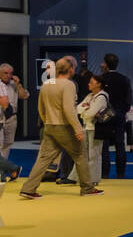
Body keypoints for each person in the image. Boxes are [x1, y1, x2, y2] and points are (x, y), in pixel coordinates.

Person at [19, 57, 103, 198]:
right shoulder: (69, 85)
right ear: (70, 69)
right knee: (80, 155)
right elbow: (68, 109)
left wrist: (47, 121)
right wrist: (77, 129)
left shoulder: (47, 83)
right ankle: (87, 188)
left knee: (43, 158)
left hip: (49, 126)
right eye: (74, 67)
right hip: (65, 127)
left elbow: (41, 107)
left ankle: (28, 188)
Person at [98, 54, 131, 179]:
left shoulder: (101, 79)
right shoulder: (124, 79)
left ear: (105, 64)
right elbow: (128, 99)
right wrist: (123, 110)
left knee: (104, 144)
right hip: (120, 113)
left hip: (106, 113)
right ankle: (121, 172)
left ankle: (105, 173)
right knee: (120, 143)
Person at [75, 74, 110, 187]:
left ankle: (94, 178)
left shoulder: (101, 97)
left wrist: (86, 110)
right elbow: (78, 108)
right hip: (86, 127)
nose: (89, 84)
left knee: (94, 154)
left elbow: (91, 113)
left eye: (92, 82)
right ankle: (82, 177)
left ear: (99, 84)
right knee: (84, 154)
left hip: (96, 128)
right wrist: (87, 110)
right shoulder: (90, 96)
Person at [0, 63, 29, 159]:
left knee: (8, 144)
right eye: (5, 73)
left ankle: (2, 169)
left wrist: (18, 85)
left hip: (11, 118)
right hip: (1, 117)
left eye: (10, 73)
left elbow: (24, 96)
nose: (8, 76)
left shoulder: (14, 84)